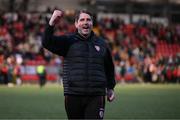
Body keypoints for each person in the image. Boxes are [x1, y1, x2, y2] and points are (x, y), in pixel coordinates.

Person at [42, 9, 116, 119]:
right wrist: (52, 22)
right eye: (82, 20)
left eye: (88, 20)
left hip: (96, 95)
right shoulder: (68, 41)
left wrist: (110, 87)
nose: (85, 22)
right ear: (76, 24)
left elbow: (109, 67)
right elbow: (46, 42)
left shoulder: (102, 43)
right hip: (73, 94)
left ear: (92, 23)